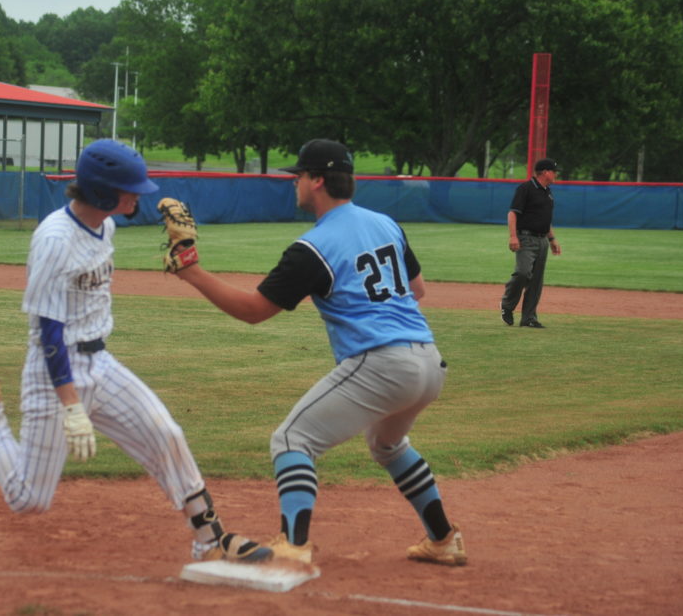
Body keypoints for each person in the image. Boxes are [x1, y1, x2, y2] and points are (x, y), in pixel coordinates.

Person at [0, 139, 269, 565]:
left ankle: (210, 540)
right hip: (54, 369)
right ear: (102, 192)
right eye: (130, 190)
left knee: (166, 434)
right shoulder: (55, 239)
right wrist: (71, 405)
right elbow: (49, 331)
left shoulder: (105, 226)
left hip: (101, 363)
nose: (137, 197)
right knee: (28, 498)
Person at [171, 139, 466, 567]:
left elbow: (254, 311)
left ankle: (294, 544)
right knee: (387, 444)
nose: (295, 183)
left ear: (317, 181)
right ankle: (443, 539)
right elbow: (416, 290)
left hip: (383, 363)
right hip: (429, 361)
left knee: (292, 440)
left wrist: (193, 273)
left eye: (300, 176)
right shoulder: (385, 223)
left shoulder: (312, 247)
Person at [500, 157, 561, 328]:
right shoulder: (526, 188)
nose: (556, 174)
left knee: (536, 281)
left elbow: (544, 219)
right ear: (545, 172)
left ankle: (528, 318)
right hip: (526, 238)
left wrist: (552, 239)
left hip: (542, 240)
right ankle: (507, 304)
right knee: (523, 272)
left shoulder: (548, 192)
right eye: (554, 171)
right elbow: (512, 213)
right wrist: (513, 236)